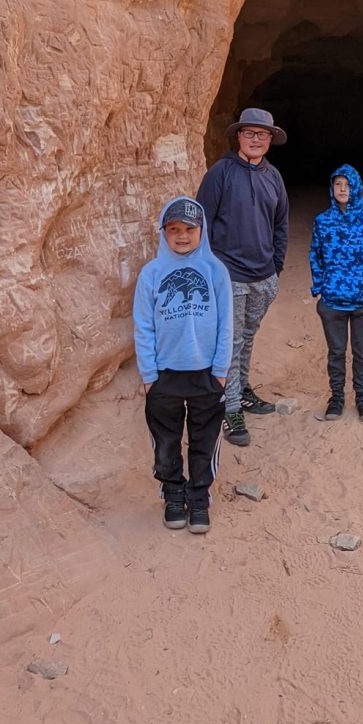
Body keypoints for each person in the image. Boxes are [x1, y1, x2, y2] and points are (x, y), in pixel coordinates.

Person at [133, 196, 233, 534]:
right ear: (163, 232)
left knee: (204, 439)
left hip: (206, 373)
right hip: (165, 375)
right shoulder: (151, 273)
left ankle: (199, 496)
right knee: (166, 441)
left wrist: (220, 370)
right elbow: (143, 326)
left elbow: (226, 324)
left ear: (201, 230)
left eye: (189, 228)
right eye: (173, 229)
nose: (182, 235)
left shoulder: (215, 271)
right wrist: (149, 376)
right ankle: (173, 494)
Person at [197, 106, 289, 448]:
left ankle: (242, 389)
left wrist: (276, 268)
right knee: (231, 343)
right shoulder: (220, 173)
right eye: (249, 133)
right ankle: (230, 407)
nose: (255, 140)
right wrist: (213, 272)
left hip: (264, 275)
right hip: (229, 276)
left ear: (270, 140)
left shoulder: (273, 177)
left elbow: (281, 225)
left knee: (248, 336)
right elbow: (202, 225)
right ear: (239, 136)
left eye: (261, 135)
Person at [309, 164, 363, 422]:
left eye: (347, 184)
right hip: (333, 301)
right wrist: (320, 288)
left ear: (357, 187)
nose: (343, 189)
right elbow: (315, 255)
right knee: (336, 352)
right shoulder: (323, 221)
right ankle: (336, 398)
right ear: (332, 188)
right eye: (338, 184)